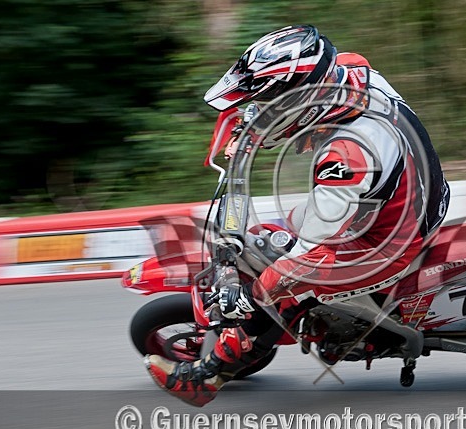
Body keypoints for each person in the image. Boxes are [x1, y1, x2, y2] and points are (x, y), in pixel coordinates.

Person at [146, 24, 450, 406]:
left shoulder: (347, 160)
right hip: (409, 197)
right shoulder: (354, 73)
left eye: (273, 103)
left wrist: (253, 292)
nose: (265, 109)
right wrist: (251, 128)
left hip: (387, 242)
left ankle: (207, 377)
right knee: (280, 227)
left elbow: (309, 247)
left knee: (276, 282)